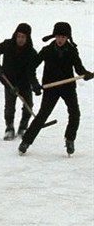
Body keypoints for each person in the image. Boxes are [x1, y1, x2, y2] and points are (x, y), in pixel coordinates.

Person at [18, 22, 93, 155]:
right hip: (51, 87)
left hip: (68, 88)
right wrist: (34, 84)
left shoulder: (72, 51)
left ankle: (70, 139)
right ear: (54, 36)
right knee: (42, 115)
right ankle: (26, 142)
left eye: (63, 37)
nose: (60, 40)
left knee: (75, 113)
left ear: (67, 38)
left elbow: (79, 68)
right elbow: (30, 68)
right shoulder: (47, 51)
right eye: (58, 36)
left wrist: (85, 74)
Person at [0, 23, 41, 140]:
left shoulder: (31, 53)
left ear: (28, 38)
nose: (20, 39)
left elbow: (31, 72)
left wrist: (34, 85)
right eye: (18, 36)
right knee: (9, 106)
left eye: (23, 37)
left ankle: (23, 127)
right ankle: (9, 127)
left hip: (24, 83)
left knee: (28, 105)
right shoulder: (8, 45)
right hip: (9, 82)